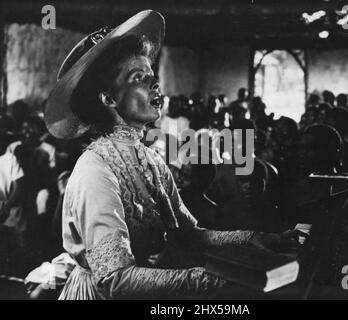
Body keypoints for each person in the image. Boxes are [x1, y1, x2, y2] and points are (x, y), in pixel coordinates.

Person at [44, 10, 299, 300]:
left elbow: (188, 234)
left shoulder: (150, 160)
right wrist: (209, 282)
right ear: (109, 98)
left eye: (152, 78)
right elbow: (114, 280)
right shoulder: (96, 170)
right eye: (139, 79)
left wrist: (254, 239)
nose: (155, 87)